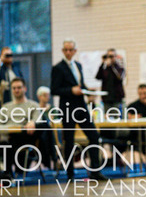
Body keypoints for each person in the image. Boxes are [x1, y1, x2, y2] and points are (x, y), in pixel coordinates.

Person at [51, 38, 107, 181]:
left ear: (75, 51)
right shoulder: (58, 68)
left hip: (81, 106)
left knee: (94, 136)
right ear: (63, 51)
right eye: (66, 50)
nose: (68, 52)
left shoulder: (78, 65)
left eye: (71, 50)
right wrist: (71, 90)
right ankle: (70, 174)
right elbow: (54, 89)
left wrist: (88, 91)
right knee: (69, 141)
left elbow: (80, 85)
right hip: (67, 107)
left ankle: (95, 171)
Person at [95, 48, 126, 115]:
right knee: (107, 118)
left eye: (111, 56)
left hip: (117, 99)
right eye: (108, 56)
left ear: (115, 57)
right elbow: (97, 77)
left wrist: (111, 66)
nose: (109, 58)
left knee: (117, 117)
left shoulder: (119, 68)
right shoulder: (105, 69)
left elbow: (119, 77)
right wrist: (103, 63)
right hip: (107, 99)